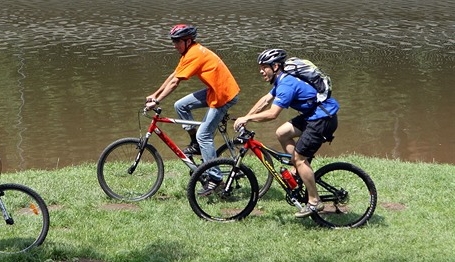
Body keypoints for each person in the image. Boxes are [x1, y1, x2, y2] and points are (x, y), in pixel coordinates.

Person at [233, 49, 339, 218]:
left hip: (322, 119)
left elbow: (272, 113)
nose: (261, 71)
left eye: (264, 67)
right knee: (282, 133)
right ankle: (299, 168)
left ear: (275, 66)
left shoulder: (286, 85)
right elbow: (265, 100)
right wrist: (245, 117)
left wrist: (249, 119)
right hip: (313, 115)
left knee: (300, 158)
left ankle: (314, 201)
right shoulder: (282, 80)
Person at [145, 24, 240, 196]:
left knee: (204, 135)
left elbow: (175, 83)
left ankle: (216, 179)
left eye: (177, 42)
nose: (174, 45)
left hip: (224, 95)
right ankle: (195, 144)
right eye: (173, 41)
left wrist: (157, 101)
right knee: (180, 105)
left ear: (188, 41)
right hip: (215, 90)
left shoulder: (195, 54)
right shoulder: (188, 52)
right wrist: (155, 93)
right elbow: (173, 75)